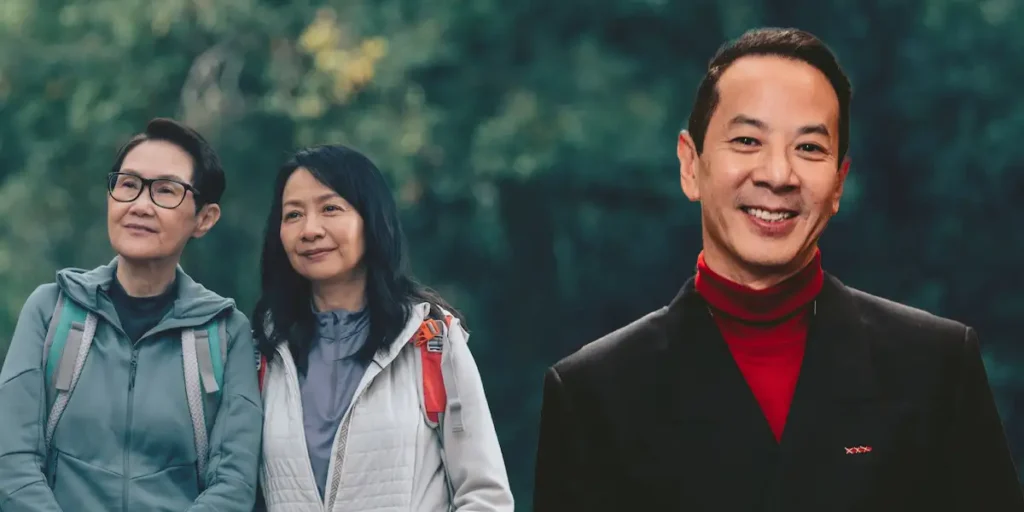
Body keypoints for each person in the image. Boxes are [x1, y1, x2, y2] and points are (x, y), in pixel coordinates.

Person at [533, 28, 1024, 511]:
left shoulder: (938, 366)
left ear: (838, 184)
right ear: (690, 164)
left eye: (809, 147)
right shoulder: (593, 395)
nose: (778, 175)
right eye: (747, 140)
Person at [0, 118, 262, 512]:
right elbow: (13, 462)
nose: (140, 205)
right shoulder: (51, 310)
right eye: (128, 184)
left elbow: (234, 483)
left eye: (166, 191)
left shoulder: (225, 332)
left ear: (204, 219)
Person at [252, 144, 514, 511]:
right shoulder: (261, 352)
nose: (310, 230)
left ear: (371, 220)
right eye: (293, 214)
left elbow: (486, 495)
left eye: (331, 208)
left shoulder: (430, 340)